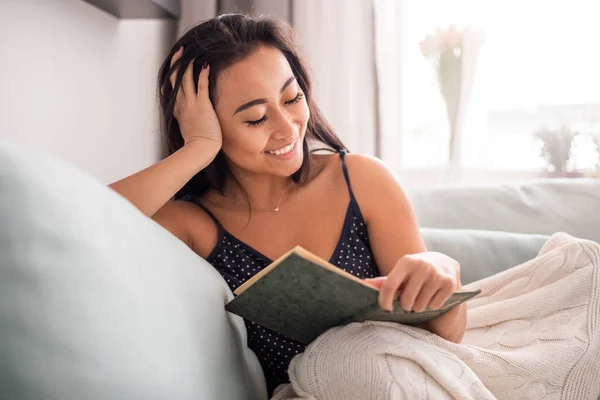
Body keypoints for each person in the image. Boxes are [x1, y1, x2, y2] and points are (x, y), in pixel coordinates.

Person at [109, 13, 464, 396]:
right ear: (208, 123)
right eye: (256, 118)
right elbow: (88, 222)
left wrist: (442, 273)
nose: (288, 127)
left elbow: (446, 338)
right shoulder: (194, 223)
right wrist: (197, 148)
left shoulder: (361, 180)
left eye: (292, 97)